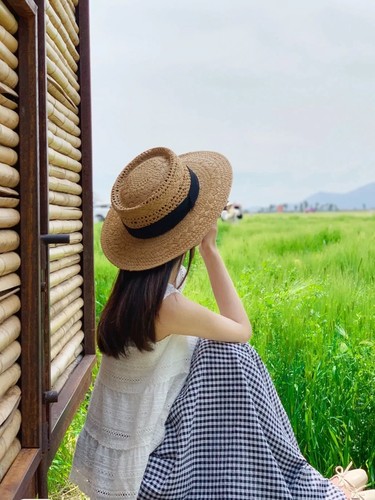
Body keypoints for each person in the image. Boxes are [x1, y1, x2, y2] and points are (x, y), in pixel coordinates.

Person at [70, 147, 373, 499]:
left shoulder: (131, 295)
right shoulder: (165, 306)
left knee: (213, 352)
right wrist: (211, 250)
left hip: (116, 460)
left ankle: (301, 481)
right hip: (142, 474)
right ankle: (307, 487)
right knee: (231, 356)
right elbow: (241, 330)